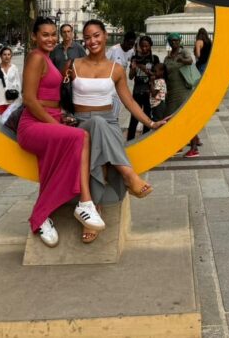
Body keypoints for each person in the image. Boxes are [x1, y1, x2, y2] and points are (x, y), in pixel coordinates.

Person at [15, 17, 103, 247]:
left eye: (53, 34)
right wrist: (54, 125)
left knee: (50, 168)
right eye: (45, 34)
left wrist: (60, 116)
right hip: (33, 125)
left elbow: (49, 97)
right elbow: (30, 100)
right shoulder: (35, 57)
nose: (51, 38)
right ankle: (85, 204)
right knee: (81, 136)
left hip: (49, 120)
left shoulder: (46, 58)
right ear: (34, 36)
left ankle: (41, 216)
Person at [70, 20, 165, 218]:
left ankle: (94, 210)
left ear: (105, 36)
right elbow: (57, 94)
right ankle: (129, 175)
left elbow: (129, 101)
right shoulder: (73, 66)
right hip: (82, 123)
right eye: (87, 37)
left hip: (108, 123)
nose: (92, 41)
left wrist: (151, 123)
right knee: (96, 123)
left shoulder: (117, 69)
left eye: (96, 35)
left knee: (100, 128)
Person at [164, 33, 201, 158]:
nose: (174, 43)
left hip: (183, 90)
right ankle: (178, 144)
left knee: (186, 119)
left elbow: (190, 61)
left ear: (180, 41)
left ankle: (194, 148)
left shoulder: (183, 52)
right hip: (172, 90)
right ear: (169, 42)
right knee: (171, 118)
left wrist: (182, 60)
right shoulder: (167, 58)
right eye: (172, 41)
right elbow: (165, 73)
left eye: (176, 40)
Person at [127, 35, 159, 140]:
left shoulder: (154, 59)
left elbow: (156, 75)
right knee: (134, 117)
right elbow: (131, 77)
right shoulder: (134, 58)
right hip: (137, 91)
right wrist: (133, 67)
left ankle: (145, 139)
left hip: (149, 91)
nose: (144, 49)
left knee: (147, 117)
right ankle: (130, 140)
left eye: (146, 46)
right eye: (142, 46)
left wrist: (144, 68)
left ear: (150, 46)